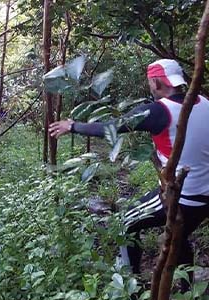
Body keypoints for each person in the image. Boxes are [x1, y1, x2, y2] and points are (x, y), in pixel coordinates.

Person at [48, 59, 209, 287]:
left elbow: (111, 128)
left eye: (150, 82)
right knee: (178, 236)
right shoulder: (204, 102)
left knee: (125, 223)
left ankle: (130, 286)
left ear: (155, 82)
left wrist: (72, 125)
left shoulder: (158, 111)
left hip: (184, 197)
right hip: (206, 194)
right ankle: (187, 288)